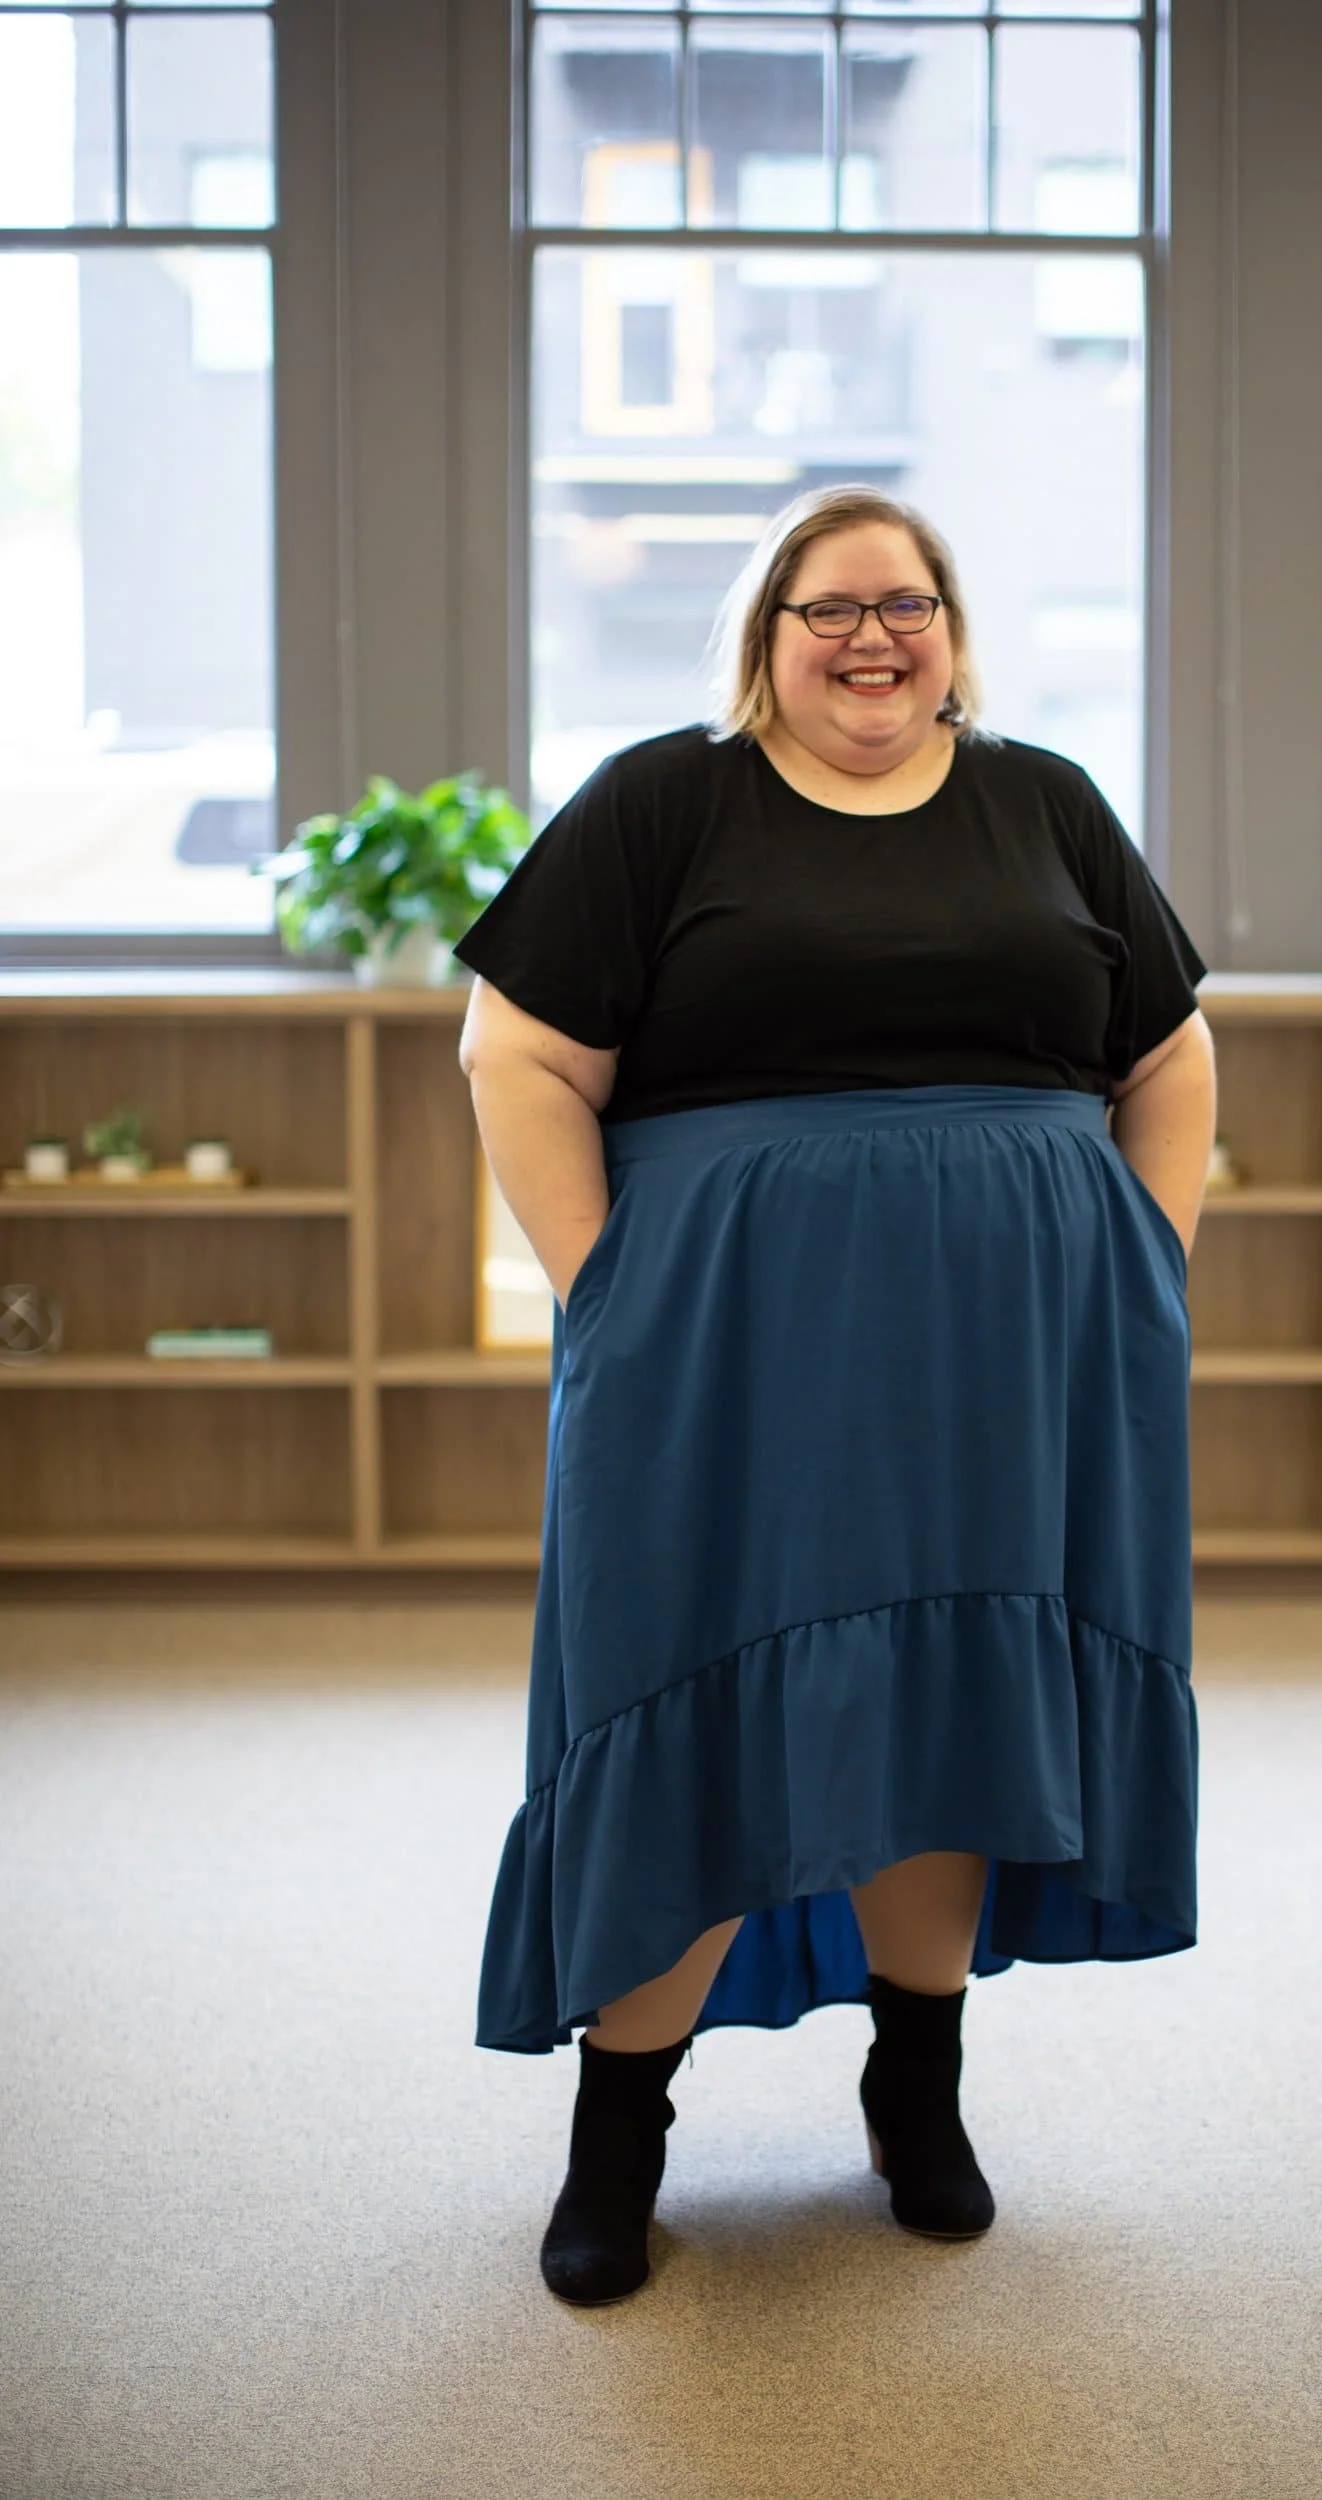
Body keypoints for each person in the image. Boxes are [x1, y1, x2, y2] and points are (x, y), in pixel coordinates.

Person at [455, 483, 1216, 2308]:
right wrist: (609, 1291)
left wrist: (1139, 1272)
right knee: (686, 1679)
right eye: (830, 609)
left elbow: (1170, 1050)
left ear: (950, 629)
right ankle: (618, 2136)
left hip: (1010, 1347)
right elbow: (519, 1053)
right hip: (724, 1343)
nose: (872, 639)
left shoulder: (1043, 802)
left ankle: (918, 2084)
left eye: (907, 605)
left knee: (952, 1688)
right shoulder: (663, 799)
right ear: (765, 635)